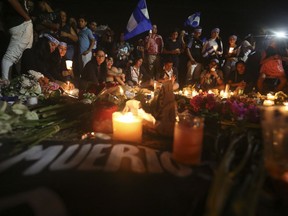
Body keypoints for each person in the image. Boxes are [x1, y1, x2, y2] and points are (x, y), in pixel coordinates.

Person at [1, 0, 33, 81]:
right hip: (20, 23)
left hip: (22, 23)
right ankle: (5, 87)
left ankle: (20, 84)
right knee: (10, 57)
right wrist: (26, 17)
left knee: (21, 57)